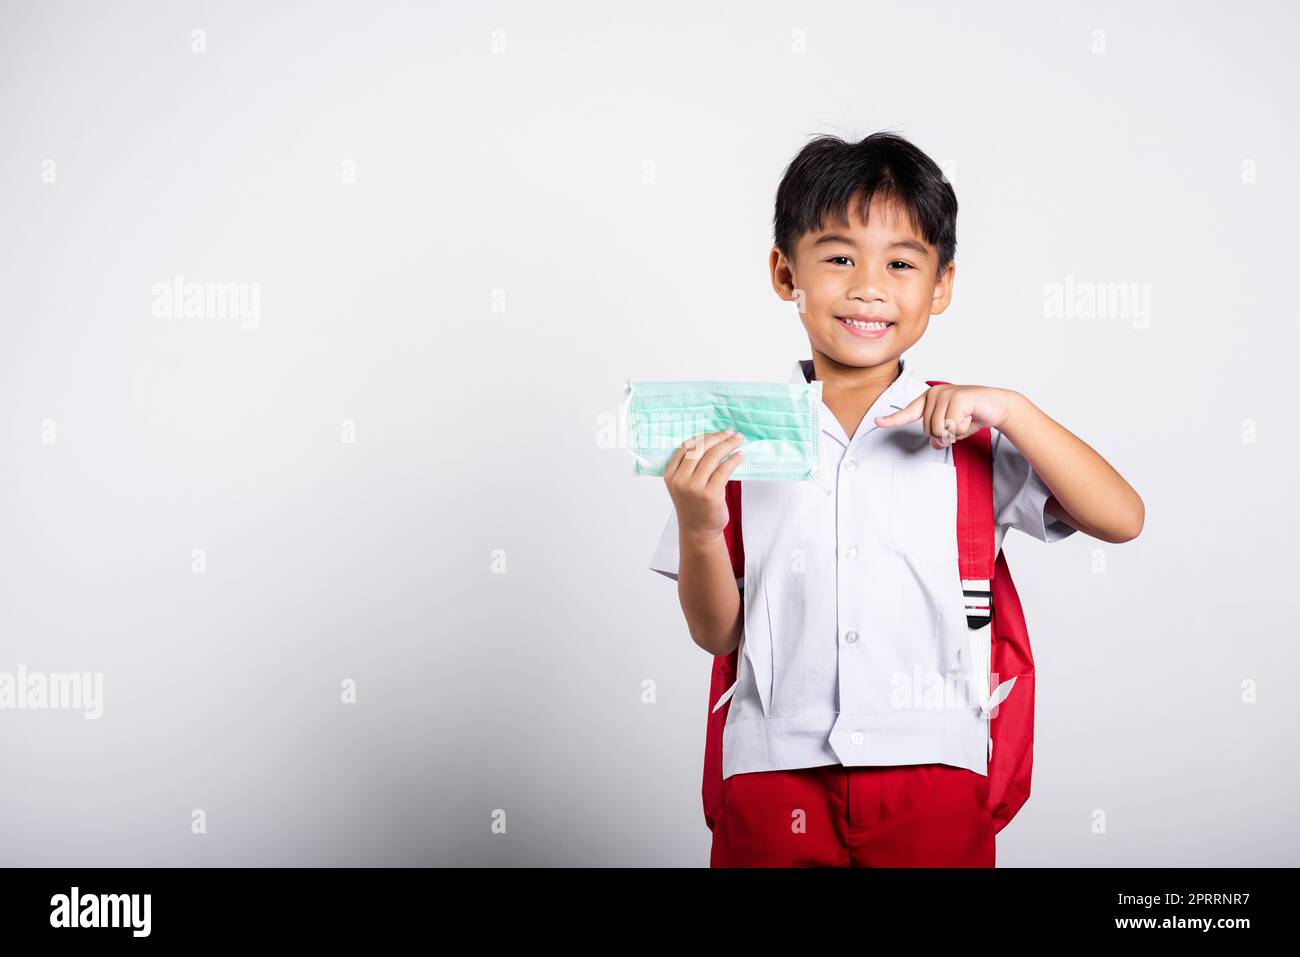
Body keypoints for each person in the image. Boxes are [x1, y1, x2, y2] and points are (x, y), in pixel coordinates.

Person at [648, 132, 1145, 867]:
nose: (869, 286)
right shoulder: (737, 438)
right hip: (771, 773)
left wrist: (1012, 408)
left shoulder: (971, 427)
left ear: (940, 285)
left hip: (936, 771)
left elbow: (1122, 517)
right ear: (787, 273)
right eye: (840, 257)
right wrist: (697, 526)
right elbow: (717, 635)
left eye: (902, 263)